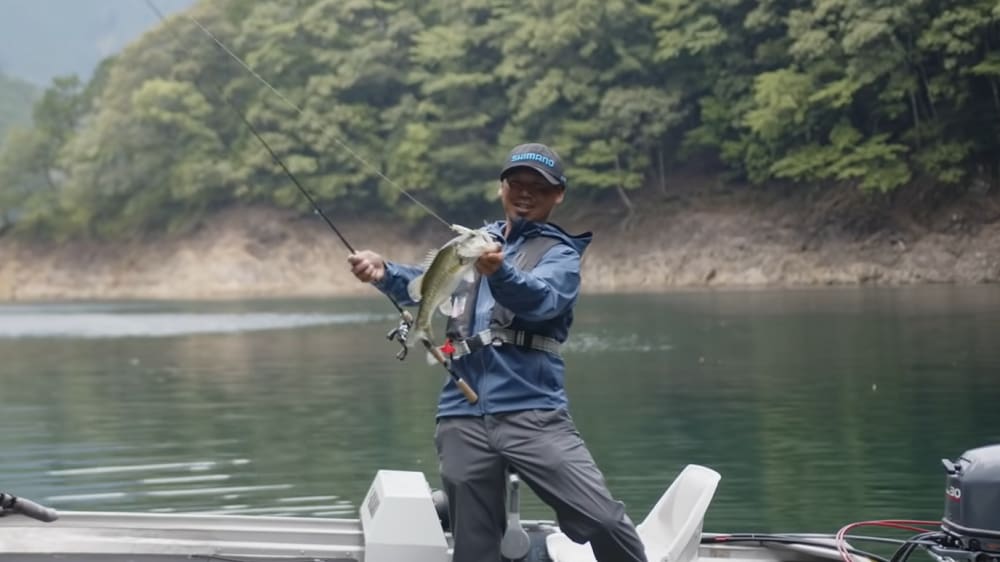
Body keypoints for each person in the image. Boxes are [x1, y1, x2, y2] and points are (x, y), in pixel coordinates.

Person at [348, 143, 647, 562]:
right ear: (501, 188)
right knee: (474, 547)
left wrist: (501, 271)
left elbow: (542, 300)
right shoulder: (475, 242)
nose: (525, 193)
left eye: (538, 187)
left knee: (602, 519)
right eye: (516, 183)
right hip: (461, 411)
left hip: (532, 411)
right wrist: (385, 272)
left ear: (558, 194)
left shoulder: (559, 253)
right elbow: (427, 281)